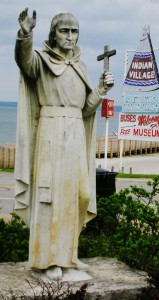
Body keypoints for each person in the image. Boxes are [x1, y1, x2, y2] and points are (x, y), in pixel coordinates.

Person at [14, 8, 114, 280]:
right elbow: (24, 61)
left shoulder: (80, 66)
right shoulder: (42, 60)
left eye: (74, 31)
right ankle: (49, 261)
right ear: (54, 34)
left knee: (78, 195)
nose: (70, 36)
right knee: (51, 197)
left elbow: (85, 109)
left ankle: (69, 255)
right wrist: (25, 34)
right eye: (64, 31)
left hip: (74, 133)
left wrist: (101, 91)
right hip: (51, 131)